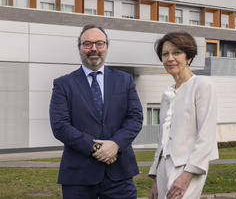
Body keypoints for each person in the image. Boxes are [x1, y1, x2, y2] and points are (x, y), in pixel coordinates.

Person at [49, 24, 143, 199]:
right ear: (80, 48)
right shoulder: (63, 84)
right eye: (87, 44)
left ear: (107, 46)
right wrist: (98, 148)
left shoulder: (125, 80)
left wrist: (115, 145)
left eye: (99, 43)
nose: (94, 48)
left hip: (119, 174)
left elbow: (135, 118)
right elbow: (60, 126)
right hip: (78, 176)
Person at [148, 31, 219, 199]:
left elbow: (206, 135)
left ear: (189, 57)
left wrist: (187, 175)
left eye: (177, 52)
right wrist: (156, 178)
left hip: (188, 166)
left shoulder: (202, 85)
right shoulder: (167, 94)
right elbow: (163, 139)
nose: (170, 58)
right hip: (163, 166)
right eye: (165, 54)